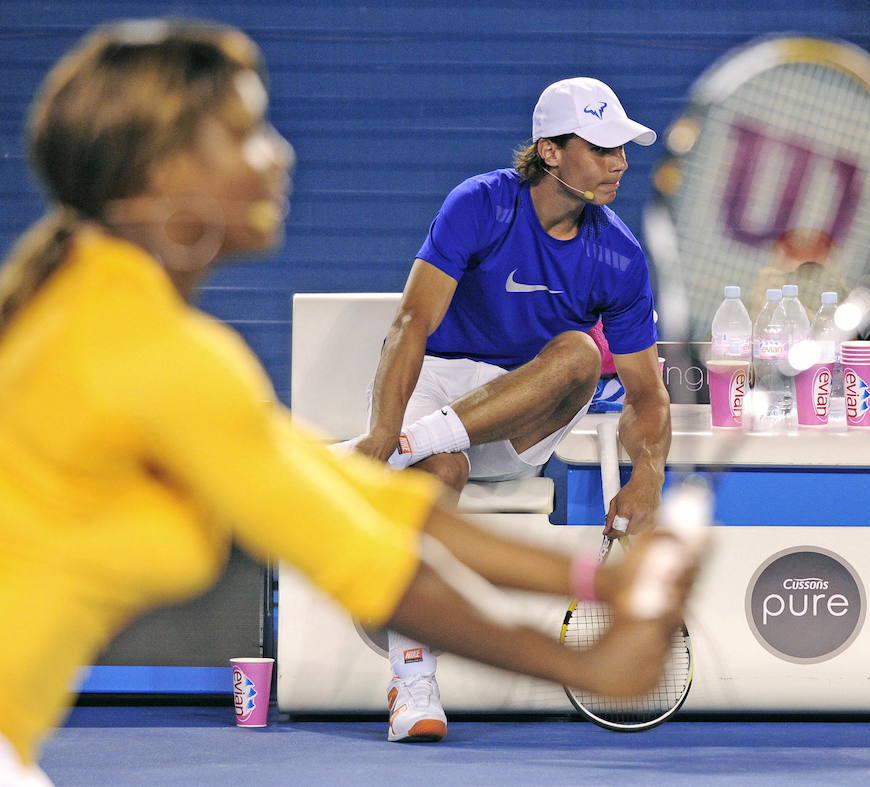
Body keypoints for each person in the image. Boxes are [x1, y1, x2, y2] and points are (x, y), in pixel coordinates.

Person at [0, 21, 702, 784]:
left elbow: (379, 512)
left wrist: (595, 583)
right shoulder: (155, 355)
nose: (282, 151)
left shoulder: (98, 310)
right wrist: (589, 656)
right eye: (246, 133)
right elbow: (377, 565)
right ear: (167, 172)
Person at [340, 76, 672, 742]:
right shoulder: (481, 204)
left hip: (525, 407)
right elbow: (411, 322)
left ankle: (406, 447)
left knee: (580, 352)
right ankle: (412, 683)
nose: (621, 163)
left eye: (623, 148)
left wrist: (650, 472)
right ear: (550, 151)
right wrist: (385, 422)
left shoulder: (620, 256)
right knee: (443, 474)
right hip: (438, 384)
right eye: (602, 146)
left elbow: (645, 393)